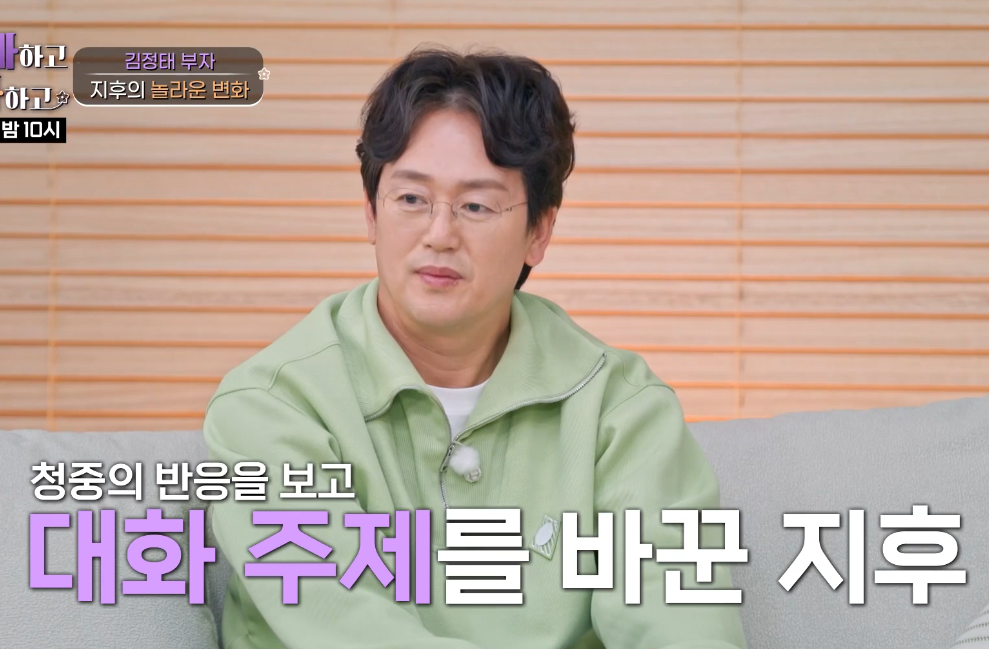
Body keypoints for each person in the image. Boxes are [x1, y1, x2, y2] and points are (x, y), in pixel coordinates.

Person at [203, 45, 748, 649]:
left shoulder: (621, 410)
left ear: (539, 231)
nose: (440, 234)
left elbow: (681, 625)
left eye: (476, 205)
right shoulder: (271, 405)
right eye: (411, 199)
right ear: (371, 215)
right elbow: (344, 627)